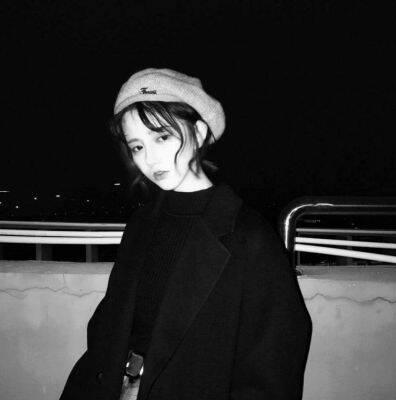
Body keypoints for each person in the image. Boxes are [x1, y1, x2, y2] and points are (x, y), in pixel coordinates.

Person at [60, 68, 312, 400]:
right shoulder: (142, 222)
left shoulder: (249, 236)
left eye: (162, 137)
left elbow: (273, 363)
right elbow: (111, 322)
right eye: (137, 146)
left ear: (200, 132)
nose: (149, 158)